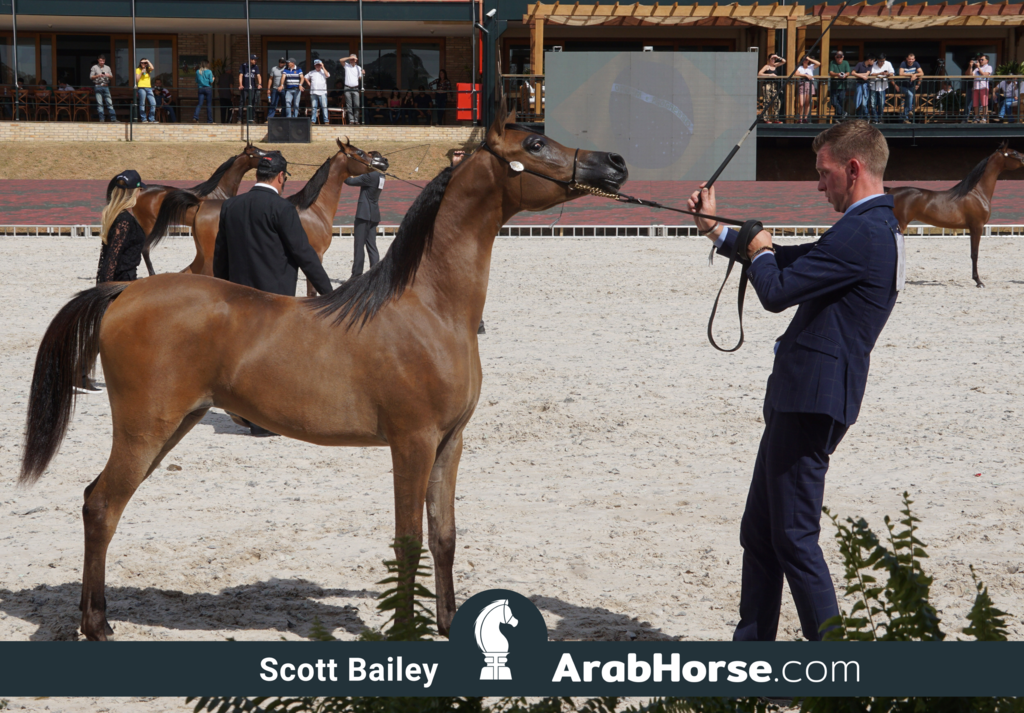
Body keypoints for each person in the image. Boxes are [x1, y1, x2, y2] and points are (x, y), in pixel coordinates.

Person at [687, 119, 903, 642]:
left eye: (824, 172)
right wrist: (720, 230)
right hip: (803, 394)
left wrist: (757, 249)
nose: (819, 183)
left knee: (793, 537)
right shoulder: (868, 226)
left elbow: (777, 288)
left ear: (853, 168)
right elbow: (792, 261)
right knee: (761, 533)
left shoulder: (863, 231)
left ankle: (832, 663)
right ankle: (752, 657)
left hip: (812, 399)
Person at [344, 169, 385, 278]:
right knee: (372, 246)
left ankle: (356, 276)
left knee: (359, 246)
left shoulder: (370, 176)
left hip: (364, 215)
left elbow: (350, 181)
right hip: (374, 214)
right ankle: (375, 274)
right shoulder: (381, 176)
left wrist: (344, 172)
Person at [758, 54, 786, 124]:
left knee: (777, 101)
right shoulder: (767, 66)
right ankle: (766, 119)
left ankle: (776, 118)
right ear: (769, 59)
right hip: (767, 84)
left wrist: (777, 57)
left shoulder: (775, 65)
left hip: (774, 85)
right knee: (766, 101)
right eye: (772, 59)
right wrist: (769, 75)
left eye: (774, 59)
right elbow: (759, 73)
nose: (773, 60)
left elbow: (784, 61)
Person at [868, 53, 894, 123]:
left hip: (883, 87)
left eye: (883, 61)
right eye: (880, 61)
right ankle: (875, 119)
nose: (882, 63)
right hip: (873, 86)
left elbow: (892, 73)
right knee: (873, 104)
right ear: (877, 60)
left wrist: (887, 74)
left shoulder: (888, 63)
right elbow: (871, 74)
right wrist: (880, 73)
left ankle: (880, 119)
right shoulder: (873, 64)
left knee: (881, 104)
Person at [898, 52, 923, 123]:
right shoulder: (903, 63)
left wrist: (915, 75)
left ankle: (906, 119)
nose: (910, 60)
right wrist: (911, 75)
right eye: (909, 59)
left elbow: (922, 73)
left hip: (911, 85)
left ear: (914, 59)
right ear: (907, 59)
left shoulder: (916, 64)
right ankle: (910, 111)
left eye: (912, 59)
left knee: (907, 101)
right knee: (910, 95)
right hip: (903, 85)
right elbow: (900, 73)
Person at [305, 58, 331, 124]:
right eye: (317, 65)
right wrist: (308, 83)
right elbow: (305, 77)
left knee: (324, 106)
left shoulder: (323, 71)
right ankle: (313, 121)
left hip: (322, 92)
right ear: (314, 65)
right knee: (314, 107)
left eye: (319, 65)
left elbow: (327, 75)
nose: (318, 66)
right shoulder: (311, 72)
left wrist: (323, 67)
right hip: (313, 92)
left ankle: (326, 120)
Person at [90, 55, 116, 122]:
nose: (102, 62)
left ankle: (113, 119)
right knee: (100, 104)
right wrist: (98, 75)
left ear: (105, 61)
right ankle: (102, 119)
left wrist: (108, 75)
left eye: (103, 61)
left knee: (109, 103)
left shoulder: (107, 67)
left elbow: (111, 77)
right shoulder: (94, 67)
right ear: (98, 60)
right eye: (100, 60)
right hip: (98, 86)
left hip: (106, 86)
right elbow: (91, 77)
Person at [795, 55, 820, 124]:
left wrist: (809, 59)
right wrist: (805, 75)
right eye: (804, 59)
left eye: (806, 59)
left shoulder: (810, 67)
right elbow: (796, 73)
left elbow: (818, 63)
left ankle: (805, 118)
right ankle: (800, 118)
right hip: (802, 84)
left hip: (810, 84)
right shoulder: (800, 67)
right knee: (801, 103)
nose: (805, 61)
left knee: (807, 103)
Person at [238, 54, 262, 122]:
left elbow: (258, 76)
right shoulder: (243, 66)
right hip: (245, 87)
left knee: (252, 103)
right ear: (250, 60)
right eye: (254, 59)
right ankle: (240, 119)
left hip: (252, 87)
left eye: (256, 60)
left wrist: (260, 84)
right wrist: (240, 85)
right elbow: (241, 75)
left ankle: (252, 119)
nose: (255, 61)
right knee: (242, 102)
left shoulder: (256, 67)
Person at [828, 51, 850, 120]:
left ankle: (838, 116)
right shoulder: (832, 62)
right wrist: (837, 74)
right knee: (833, 102)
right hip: (834, 86)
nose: (839, 58)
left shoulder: (846, 62)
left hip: (843, 86)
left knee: (841, 101)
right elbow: (831, 72)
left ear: (843, 57)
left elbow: (848, 72)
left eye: (840, 57)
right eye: (838, 57)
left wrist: (845, 75)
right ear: (835, 57)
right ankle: (843, 113)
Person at [850, 54, 875, 119]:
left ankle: (866, 116)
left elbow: (867, 74)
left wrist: (857, 74)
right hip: (858, 84)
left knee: (864, 102)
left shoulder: (870, 66)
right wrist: (862, 76)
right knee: (858, 101)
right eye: (873, 60)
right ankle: (860, 117)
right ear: (869, 60)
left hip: (865, 85)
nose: (873, 62)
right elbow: (852, 73)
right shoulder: (860, 64)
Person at [342, 54, 364, 125]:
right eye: (351, 59)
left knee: (357, 104)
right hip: (347, 87)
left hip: (355, 88)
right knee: (349, 105)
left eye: (353, 59)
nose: (352, 60)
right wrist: (349, 57)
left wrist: (363, 74)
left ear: (356, 60)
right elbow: (341, 60)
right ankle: (351, 120)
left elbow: (360, 78)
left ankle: (356, 120)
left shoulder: (358, 68)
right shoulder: (347, 66)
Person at [972, 55, 993, 123]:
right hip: (976, 87)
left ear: (987, 60)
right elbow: (970, 75)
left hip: (983, 87)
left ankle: (984, 117)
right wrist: (970, 66)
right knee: (975, 104)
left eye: (982, 59)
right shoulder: (976, 69)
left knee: (984, 103)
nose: (980, 61)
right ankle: (977, 117)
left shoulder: (989, 67)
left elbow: (984, 74)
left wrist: (978, 67)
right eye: (980, 59)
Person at [136, 57, 156, 123]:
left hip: (149, 88)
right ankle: (143, 119)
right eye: (142, 62)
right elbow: (137, 79)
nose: (143, 64)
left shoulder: (148, 69)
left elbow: (152, 68)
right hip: (141, 87)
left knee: (153, 103)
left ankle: (151, 119)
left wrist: (148, 61)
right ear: (140, 63)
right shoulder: (138, 69)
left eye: (145, 63)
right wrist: (141, 72)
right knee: (142, 103)